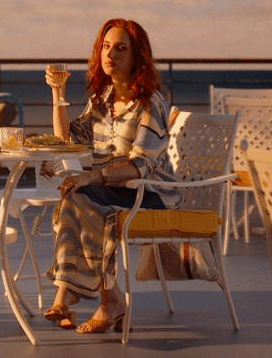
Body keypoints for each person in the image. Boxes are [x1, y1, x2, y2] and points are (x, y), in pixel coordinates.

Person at [43, 19, 178, 334]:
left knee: (82, 201)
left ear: (136, 56)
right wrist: (57, 93)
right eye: (106, 47)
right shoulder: (102, 99)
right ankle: (108, 299)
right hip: (117, 192)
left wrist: (91, 178)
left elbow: (140, 166)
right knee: (73, 198)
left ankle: (71, 292)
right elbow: (66, 140)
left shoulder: (150, 103)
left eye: (120, 48)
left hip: (151, 195)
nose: (111, 54)